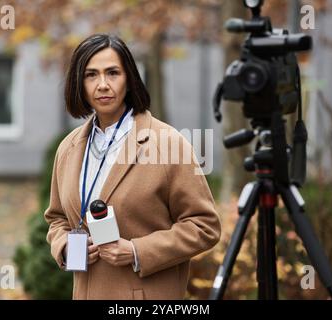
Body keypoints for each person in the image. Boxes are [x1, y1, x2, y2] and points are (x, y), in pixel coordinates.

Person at [44, 33, 221, 300]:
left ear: (130, 79)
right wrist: (65, 246)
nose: (102, 85)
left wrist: (138, 251)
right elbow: (57, 219)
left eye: (112, 73)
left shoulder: (168, 143)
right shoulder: (68, 149)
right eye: (91, 75)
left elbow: (204, 226)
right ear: (79, 83)